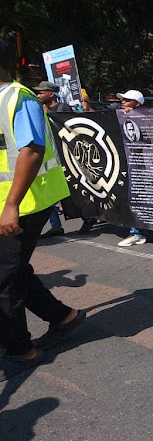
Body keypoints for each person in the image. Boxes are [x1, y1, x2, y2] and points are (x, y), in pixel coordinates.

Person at [0, 39, 85, 382]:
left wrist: (11, 206)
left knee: (3, 279)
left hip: (25, 204)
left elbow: (32, 151)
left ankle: (21, 349)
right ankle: (62, 316)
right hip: (11, 202)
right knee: (14, 271)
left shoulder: (18, 97)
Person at [115, 89, 153, 246]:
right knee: (136, 198)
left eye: (127, 100)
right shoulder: (121, 117)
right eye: (122, 99)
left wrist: (132, 116)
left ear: (137, 103)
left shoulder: (149, 118)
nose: (123, 102)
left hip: (151, 166)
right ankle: (137, 233)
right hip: (133, 165)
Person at [33, 81, 71, 239]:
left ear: (51, 94)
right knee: (49, 193)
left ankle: (88, 218)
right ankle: (56, 226)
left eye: (42, 92)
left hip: (64, 158)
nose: (38, 95)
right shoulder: (39, 110)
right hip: (48, 159)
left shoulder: (63, 109)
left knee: (70, 192)